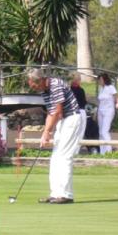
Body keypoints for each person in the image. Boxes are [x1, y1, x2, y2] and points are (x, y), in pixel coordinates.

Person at [27, 68, 84, 204]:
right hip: (62, 121)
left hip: (71, 119)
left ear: (40, 81)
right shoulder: (44, 90)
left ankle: (66, 195)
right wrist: (45, 133)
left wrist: (48, 132)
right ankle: (56, 193)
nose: (34, 89)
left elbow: (58, 111)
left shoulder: (56, 85)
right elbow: (51, 113)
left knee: (64, 156)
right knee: (56, 157)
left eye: (34, 86)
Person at [96, 74, 118, 154]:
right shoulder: (101, 88)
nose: (99, 81)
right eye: (99, 80)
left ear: (105, 79)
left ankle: (108, 151)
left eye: (100, 80)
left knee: (105, 131)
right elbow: (100, 101)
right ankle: (102, 152)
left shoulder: (110, 87)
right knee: (100, 132)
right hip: (100, 111)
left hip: (108, 111)